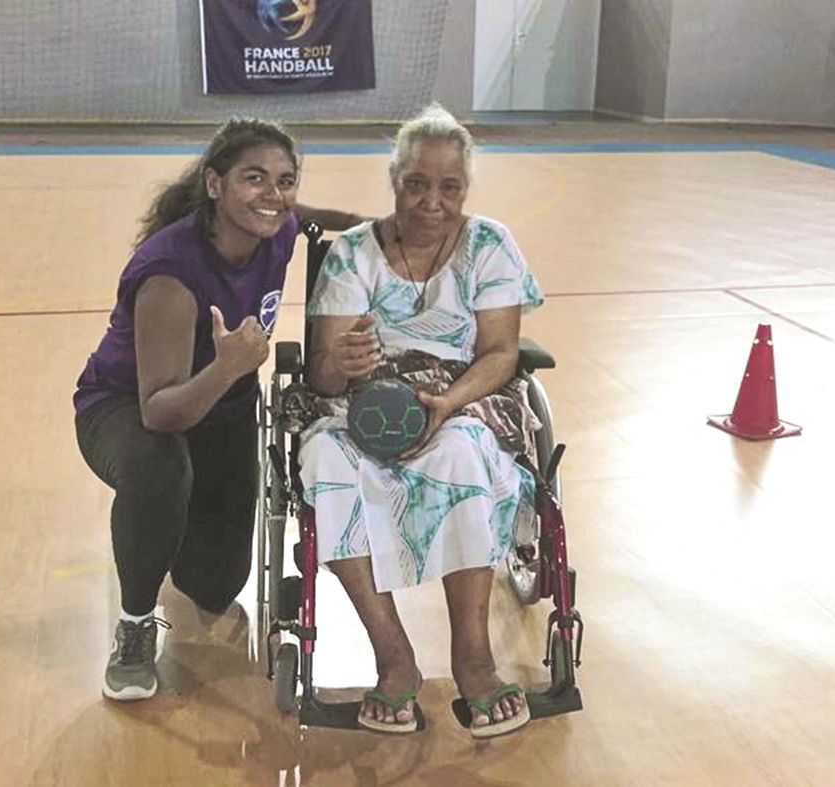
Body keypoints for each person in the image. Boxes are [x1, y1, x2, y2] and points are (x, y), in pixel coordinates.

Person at [74, 118, 363, 701]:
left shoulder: (276, 229)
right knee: (160, 467)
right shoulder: (171, 272)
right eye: (253, 179)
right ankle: (134, 625)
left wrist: (382, 231)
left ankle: (162, 525)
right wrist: (230, 366)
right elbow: (160, 411)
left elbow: (312, 219)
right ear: (215, 185)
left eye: (285, 180)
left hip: (225, 408)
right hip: (129, 408)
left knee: (213, 586)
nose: (273, 195)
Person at [298, 104, 545, 737]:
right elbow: (322, 377)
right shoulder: (352, 255)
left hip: (461, 395)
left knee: (463, 450)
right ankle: (394, 657)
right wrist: (339, 361)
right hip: (366, 399)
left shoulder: (489, 244)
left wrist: (448, 402)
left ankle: (474, 658)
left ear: (465, 189)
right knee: (325, 457)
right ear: (393, 179)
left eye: (449, 186)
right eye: (416, 183)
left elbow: (500, 353)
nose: (432, 201)